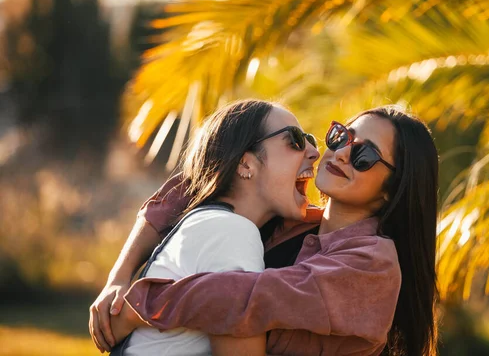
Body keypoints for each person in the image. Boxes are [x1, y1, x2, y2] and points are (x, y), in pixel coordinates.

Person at [90, 105, 439, 356]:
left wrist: (140, 307)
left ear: (393, 190)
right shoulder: (293, 222)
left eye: (364, 156)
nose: (341, 153)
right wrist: (117, 277)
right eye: (341, 137)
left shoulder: (371, 263)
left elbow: (247, 300)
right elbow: (197, 180)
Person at [90, 99, 320, 355]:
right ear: (246, 164)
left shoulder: (213, 223)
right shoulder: (232, 232)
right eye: (295, 140)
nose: (313, 152)